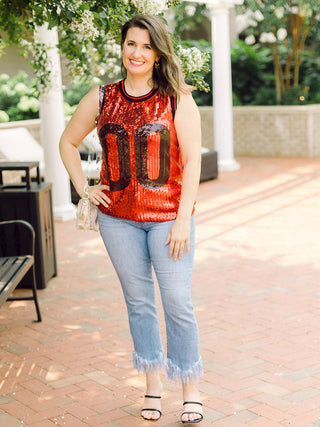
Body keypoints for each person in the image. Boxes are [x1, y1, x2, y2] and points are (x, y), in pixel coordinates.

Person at [59, 14, 203, 423]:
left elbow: (191, 162)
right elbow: (67, 142)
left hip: (167, 219)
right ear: (122, 48)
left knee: (176, 301)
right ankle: (153, 387)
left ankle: (190, 389)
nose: (137, 52)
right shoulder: (102, 97)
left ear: (158, 53)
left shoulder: (177, 98)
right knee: (139, 303)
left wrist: (182, 219)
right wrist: (84, 188)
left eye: (146, 45)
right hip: (117, 220)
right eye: (131, 44)